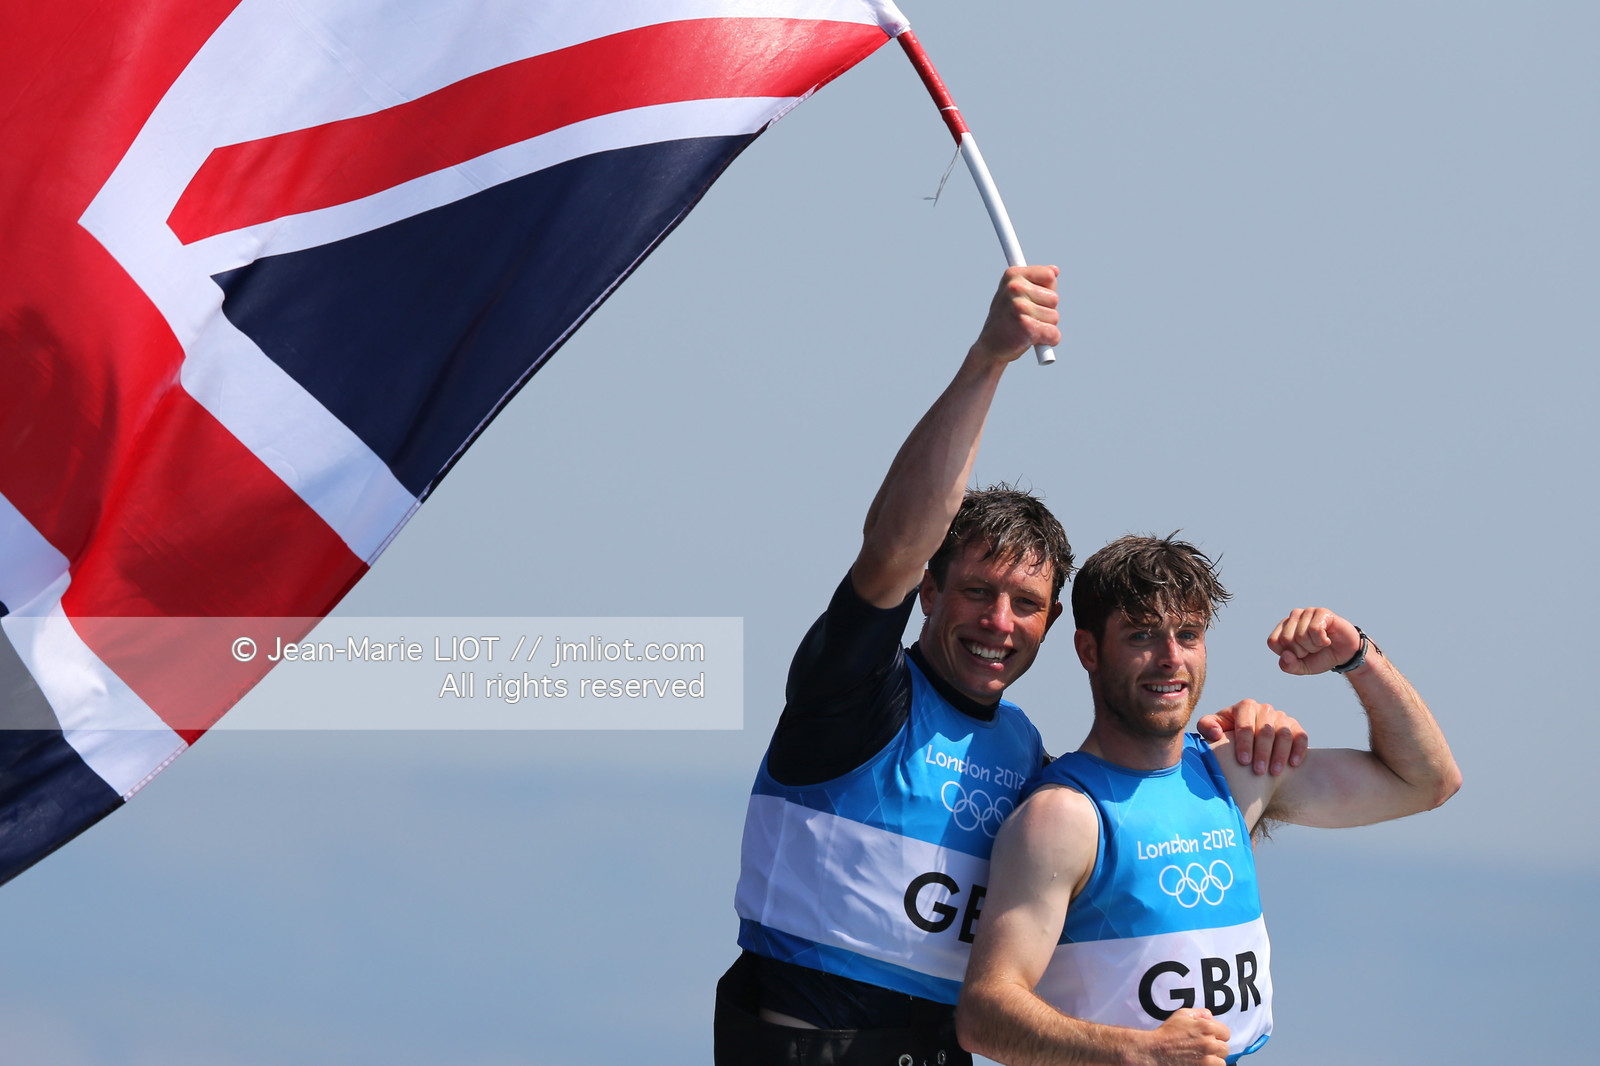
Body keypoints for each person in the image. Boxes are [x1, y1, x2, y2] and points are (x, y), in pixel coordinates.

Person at [714, 272, 1310, 1066]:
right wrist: (989, 358)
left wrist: (1242, 749)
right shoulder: (855, 692)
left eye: (1024, 603)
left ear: (1056, 626)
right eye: (975, 592)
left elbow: (1135, 840)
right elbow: (893, 543)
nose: (999, 623)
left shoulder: (1029, 756)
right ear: (928, 591)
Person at [956, 534, 1463, 1065]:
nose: (1170, 658)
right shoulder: (1063, 817)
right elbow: (984, 1015)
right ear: (1089, 651)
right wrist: (1143, 1053)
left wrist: (1358, 658)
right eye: (1142, 636)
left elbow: (1429, 782)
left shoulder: (1238, 774)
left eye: (1189, 634)